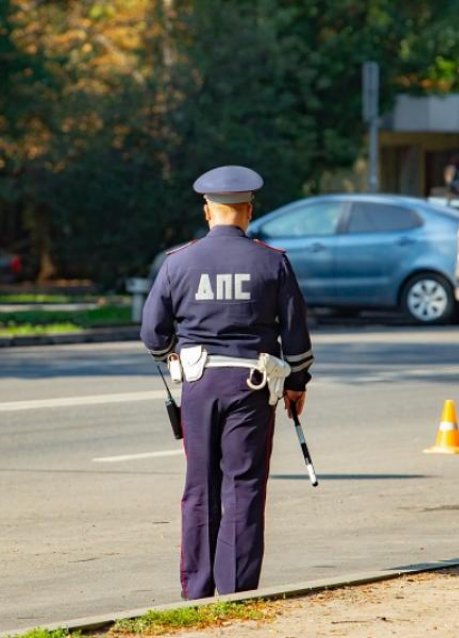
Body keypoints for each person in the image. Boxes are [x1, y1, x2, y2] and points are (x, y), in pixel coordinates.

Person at [140, 165, 313, 600]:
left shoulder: (178, 262)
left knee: (199, 486)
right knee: (244, 484)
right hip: (252, 387)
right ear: (248, 211)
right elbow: (295, 334)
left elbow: (152, 333)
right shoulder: (273, 261)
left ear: (207, 210)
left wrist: (170, 354)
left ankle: (196, 592)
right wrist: (297, 382)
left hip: (198, 385)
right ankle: (238, 591)